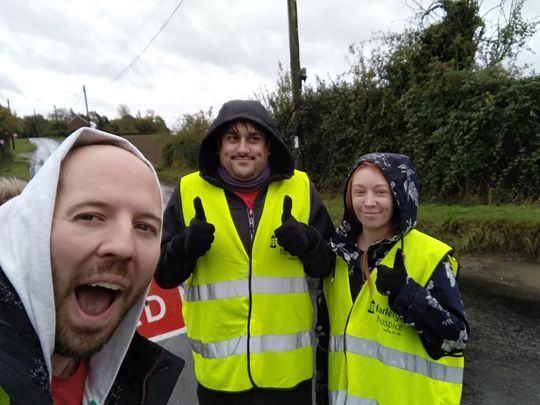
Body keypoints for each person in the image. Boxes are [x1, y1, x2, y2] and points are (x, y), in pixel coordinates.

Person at [155, 99, 335, 404]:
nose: (243, 148)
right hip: (221, 378)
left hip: (288, 376)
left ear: (268, 148)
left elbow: (329, 266)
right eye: (232, 138)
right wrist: (184, 248)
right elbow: (163, 275)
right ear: (217, 146)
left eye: (253, 139)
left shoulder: (301, 187)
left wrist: (308, 243)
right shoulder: (188, 191)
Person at [0, 128, 184, 404]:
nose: (123, 247)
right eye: (90, 217)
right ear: (30, 227)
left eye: (144, 227)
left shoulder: (134, 376)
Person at [316, 152, 468, 405]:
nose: (369, 202)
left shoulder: (430, 256)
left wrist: (407, 295)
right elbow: (325, 340)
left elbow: (456, 338)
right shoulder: (340, 255)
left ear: (400, 196)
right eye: (359, 192)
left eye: (380, 192)